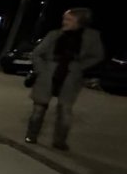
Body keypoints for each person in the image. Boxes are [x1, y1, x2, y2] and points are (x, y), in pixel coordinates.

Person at [26, 8, 104, 150]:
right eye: (64, 19)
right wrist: (41, 69)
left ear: (80, 21)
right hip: (49, 73)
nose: (64, 22)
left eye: (68, 19)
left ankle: (59, 141)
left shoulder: (91, 37)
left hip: (70, 76)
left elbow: (97, 55)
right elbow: (37, 53)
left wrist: (79, 67)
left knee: (65, 110)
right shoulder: (54, 35)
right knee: (39, 107)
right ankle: (31, 135)